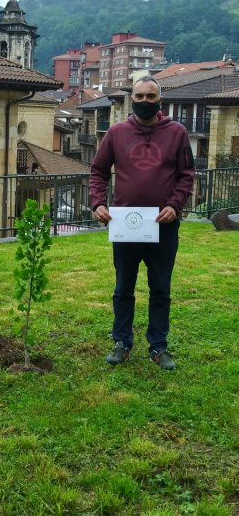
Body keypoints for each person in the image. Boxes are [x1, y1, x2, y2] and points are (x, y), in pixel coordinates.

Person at [89, 76, 195, 370]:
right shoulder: (116, 133)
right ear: (131, 99)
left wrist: (175, 205)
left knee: (160, 287)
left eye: (151, 96)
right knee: (123, 287)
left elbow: (187, 174)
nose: (145, 101)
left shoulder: (177, 133)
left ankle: (158, 346)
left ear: (159, 100)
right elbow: (98, 171)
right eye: (140, 96)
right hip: (126, 225)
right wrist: (98, 202)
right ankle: (122, 342)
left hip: (163, 225)